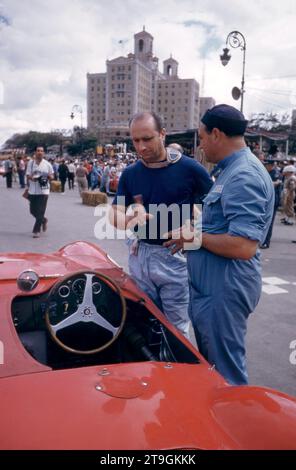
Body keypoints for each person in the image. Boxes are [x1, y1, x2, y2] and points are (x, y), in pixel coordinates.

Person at [165, 104, 274, 385]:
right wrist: (195, 229)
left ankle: (234, 424)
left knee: (227, 373)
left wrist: (194, 237)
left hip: (224, 290)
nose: (200, 145)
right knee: (213, 368)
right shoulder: (230, 171)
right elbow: (222, 223)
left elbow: (244, 246)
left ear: (215, 134)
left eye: (201, 137)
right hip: (213, 288)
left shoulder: (243, 175)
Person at [110, 111, 212, 338]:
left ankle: (178, 371)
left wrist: (196, 229)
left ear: (162, 134)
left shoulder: (190, 169)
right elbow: (113, 214)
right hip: (140, 255)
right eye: (135, 140)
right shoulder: (130, 174)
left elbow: (217, 207)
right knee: (144, 322)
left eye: (147, 139)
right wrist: (127, 219)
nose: (141, 146)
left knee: (176, 330)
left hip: (175, 257)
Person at [26, 146, 53, 238]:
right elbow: (28, 175)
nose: (40, 152)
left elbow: (52, 176)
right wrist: (32, 178)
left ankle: (36, 231)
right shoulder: (31, 163)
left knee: (41, 211)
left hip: (44, 190)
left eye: (41, 151)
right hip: (32, 190)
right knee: (32, 211)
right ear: (35, 152)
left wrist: (48, 176)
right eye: (38, 151)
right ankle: (44, 220)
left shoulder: (47, 164)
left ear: (44, 153)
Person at [260, 160, 282, 248]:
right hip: (267, 199)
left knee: (269, 221)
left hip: (274, 200)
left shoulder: (275, 172)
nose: (266, 166)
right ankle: (263, 240)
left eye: (267, 165)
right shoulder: (266, 172)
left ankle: (266, 242)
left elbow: (276, 183)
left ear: (271, 165)